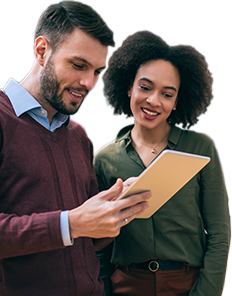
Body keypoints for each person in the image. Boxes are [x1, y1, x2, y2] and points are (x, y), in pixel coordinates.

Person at [0, 3, 151, 296]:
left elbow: (85, 235)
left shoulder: (77, 136)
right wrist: (69, 224)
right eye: (78, 65)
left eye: (97, 71)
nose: (88, 83)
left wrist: (114, 210)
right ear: (41, 51)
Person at [93, 28, 231, 296]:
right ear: (129, 86)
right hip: (127, 286)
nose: (153, 101)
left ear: (178, 101)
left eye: (167, 94)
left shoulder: (201, 148)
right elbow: (101, 245)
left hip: (188, 286)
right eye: (145, 87)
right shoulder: (105, 160)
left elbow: (219, 235)